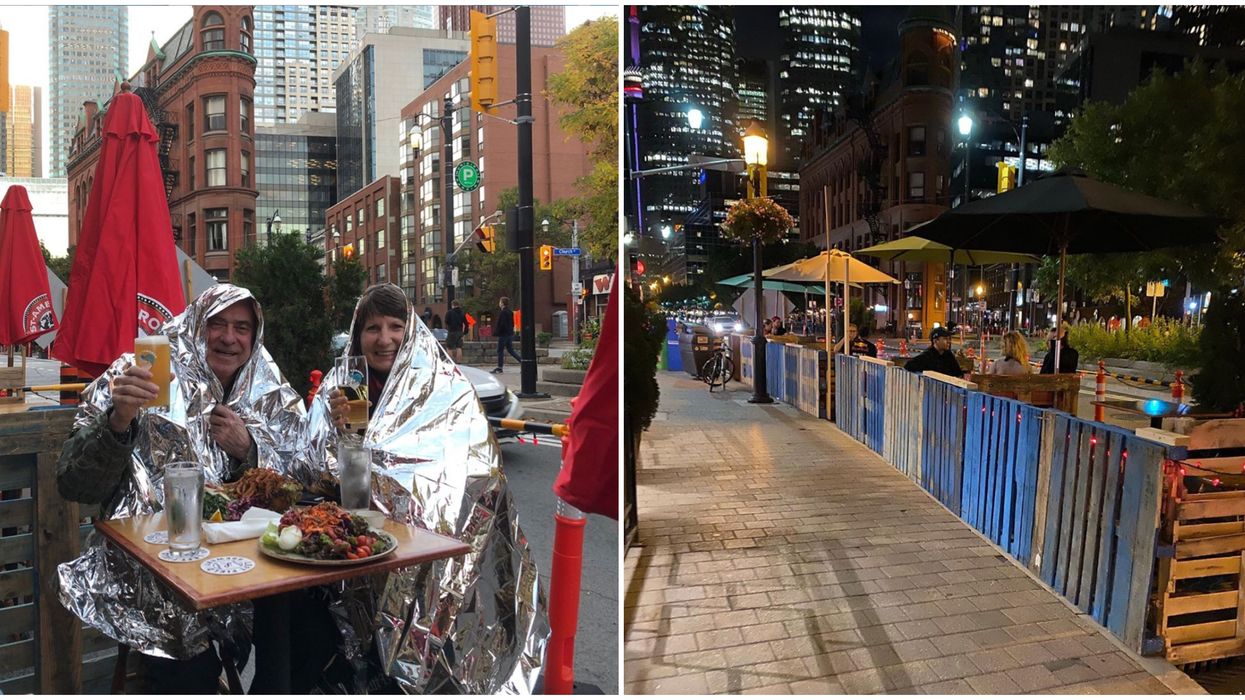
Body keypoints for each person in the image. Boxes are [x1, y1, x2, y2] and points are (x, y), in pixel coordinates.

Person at [56, 285, 307, 693]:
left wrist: (251, 450)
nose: (229, 337)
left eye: (242, 327)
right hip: (159, 574)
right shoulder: (139, 374)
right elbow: (74, 483)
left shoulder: (269, 387)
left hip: (254, 572)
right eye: (218, 324)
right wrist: (118, 422)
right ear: (195, 326)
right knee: (188, 657)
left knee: (301, 626)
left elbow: (307, 475)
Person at [301, 284, 547, 693]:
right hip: (357, 554)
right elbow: (313, 471)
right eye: (373, 328)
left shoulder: (445, 385)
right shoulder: (341, 387)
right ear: (358, 334)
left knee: (426, 655)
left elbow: (476, 468)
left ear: (411, 330)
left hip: (431, 548)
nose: (385, 339)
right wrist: (333, 429)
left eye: (396, 326)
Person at [492, 296, 521, 373]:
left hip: (503, 334)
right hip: (509, 333)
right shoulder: (510, 312)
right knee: (511, 350)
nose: (499, 303)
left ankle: (499, 367)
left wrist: (498, 332)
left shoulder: (503, 312)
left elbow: (502, 324)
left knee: (500, 350)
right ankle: (522, 362)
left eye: (500, 302)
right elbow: (512, 323)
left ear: (502, 303)